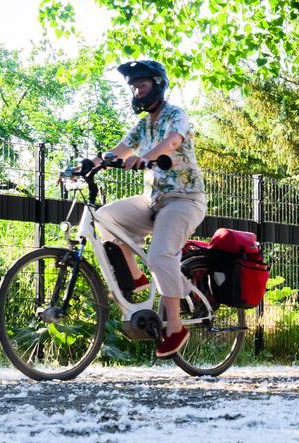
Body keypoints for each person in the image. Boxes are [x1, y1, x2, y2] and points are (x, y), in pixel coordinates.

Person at [93, 60, 207, 357]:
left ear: (157, 84)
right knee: (105, 216)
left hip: (184, 199)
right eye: (133, 88)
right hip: (154, 201)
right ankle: (136, 276)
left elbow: (172, 141)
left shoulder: (175, 115)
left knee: (160, 254)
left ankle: (175, 326)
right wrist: (89, 164)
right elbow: (117, 150)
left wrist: (147, 157)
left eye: (142, 86)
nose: (137, 92)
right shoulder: (143, 126)